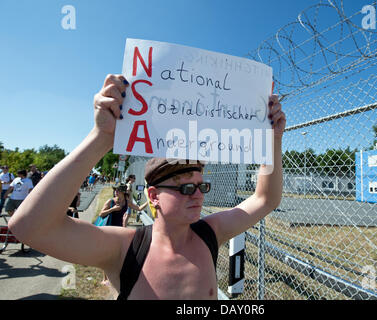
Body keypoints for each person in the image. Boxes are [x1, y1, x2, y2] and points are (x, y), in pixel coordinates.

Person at [8, 74, 286, 299]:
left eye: (202, 186)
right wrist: (102, 138)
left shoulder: (209, 234)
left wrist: (271, 140)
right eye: (186, 188)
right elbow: (28, 226)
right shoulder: (124, 247)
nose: (199, 196)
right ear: (153, 195)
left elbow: (265, 199)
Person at [99, 182, 149, 285]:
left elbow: (138, 208)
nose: (115, 192)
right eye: (115, 190)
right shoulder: (111, 201)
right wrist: (112, 209)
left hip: (119, 231)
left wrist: (149, 201)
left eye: (117, 190)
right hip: (108, 230)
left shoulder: (126, 202)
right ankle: (104, 279)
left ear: (122, 192)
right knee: (107, 254)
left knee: (116, 254)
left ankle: (113, 276)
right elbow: (101, 214)